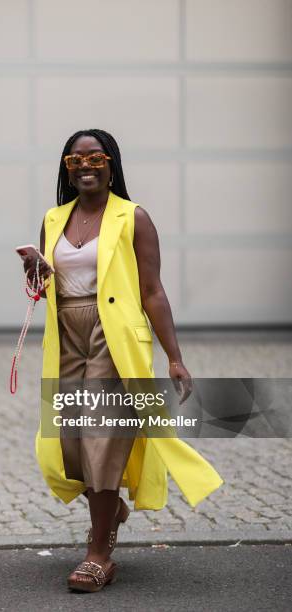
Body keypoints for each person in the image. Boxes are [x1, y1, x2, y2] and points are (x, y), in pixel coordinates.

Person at [25, 128, 224, 592]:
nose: (86, 166)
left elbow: (152, 291)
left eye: (95, 158)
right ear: (66, 169)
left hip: (114, 337)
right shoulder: (53, 219)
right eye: (76, 160)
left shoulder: (133, 218)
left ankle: (98, 554)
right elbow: (48, 284)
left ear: (111, 164)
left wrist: (174, 357)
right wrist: (37, 274)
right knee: (69, 443)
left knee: (102, 439)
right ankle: (109, 509)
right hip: (66, 335)